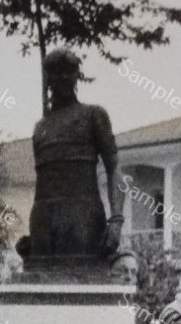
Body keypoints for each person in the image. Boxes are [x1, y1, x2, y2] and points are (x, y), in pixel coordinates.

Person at [28, 48, 122, 261]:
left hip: (83, 217)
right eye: (56, 71)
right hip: (43, 220)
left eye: (69, 71)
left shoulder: (93, 115)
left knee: (83, 282)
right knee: (43, 286)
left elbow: (114, 168)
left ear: (77, 74)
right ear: (47, 77)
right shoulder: (40, 127)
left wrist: (116, 220)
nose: (63, 77)